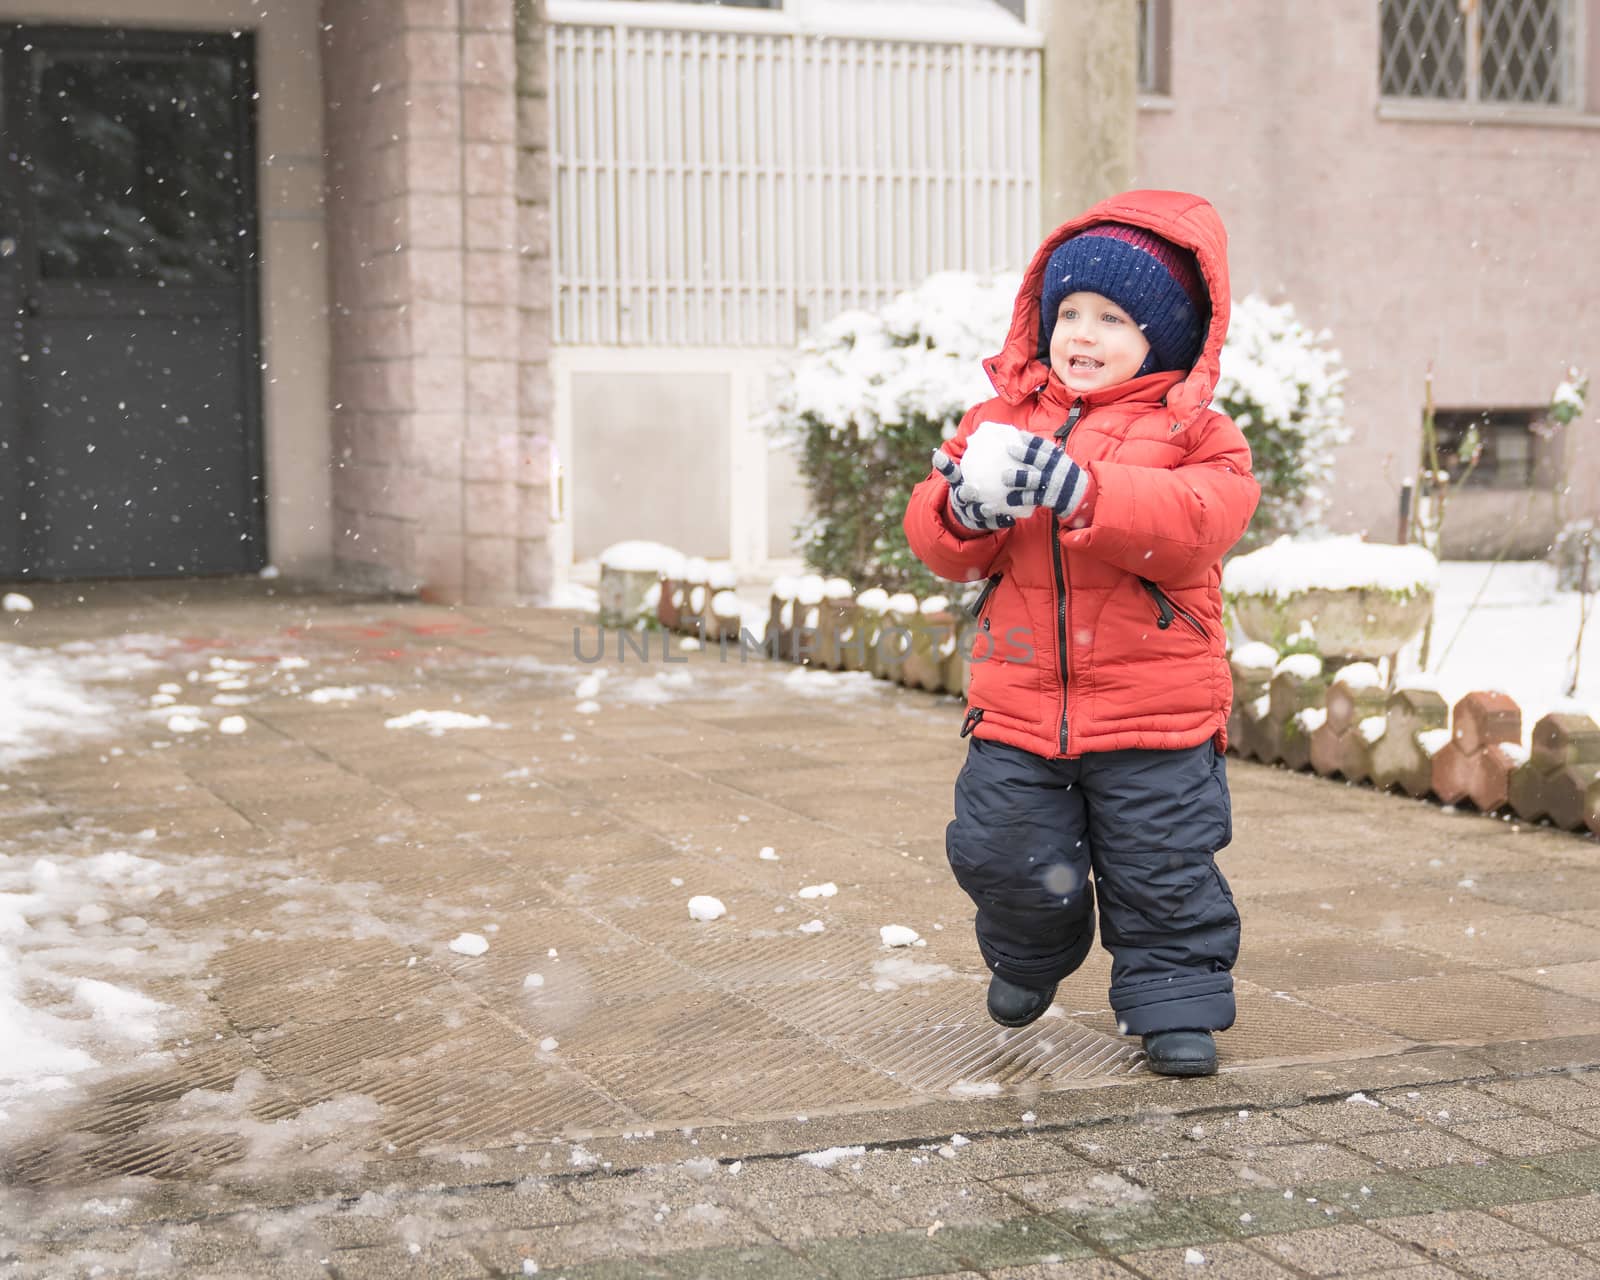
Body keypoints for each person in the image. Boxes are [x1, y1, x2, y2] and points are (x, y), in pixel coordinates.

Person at [901, 190, 1260, 1077]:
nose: (1083, 333)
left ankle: (1175, 999)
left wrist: (1087, 491)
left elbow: (1195, 525)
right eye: (1069, 312)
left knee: (1162, 867)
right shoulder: (998, 425)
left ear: (1165, 338)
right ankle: (1031, 949)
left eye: (1112, 317)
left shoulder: (1200, 439)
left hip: (1154, 714)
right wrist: (963, 507)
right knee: (1002, 849)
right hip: (1020, 704)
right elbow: (943, 545)